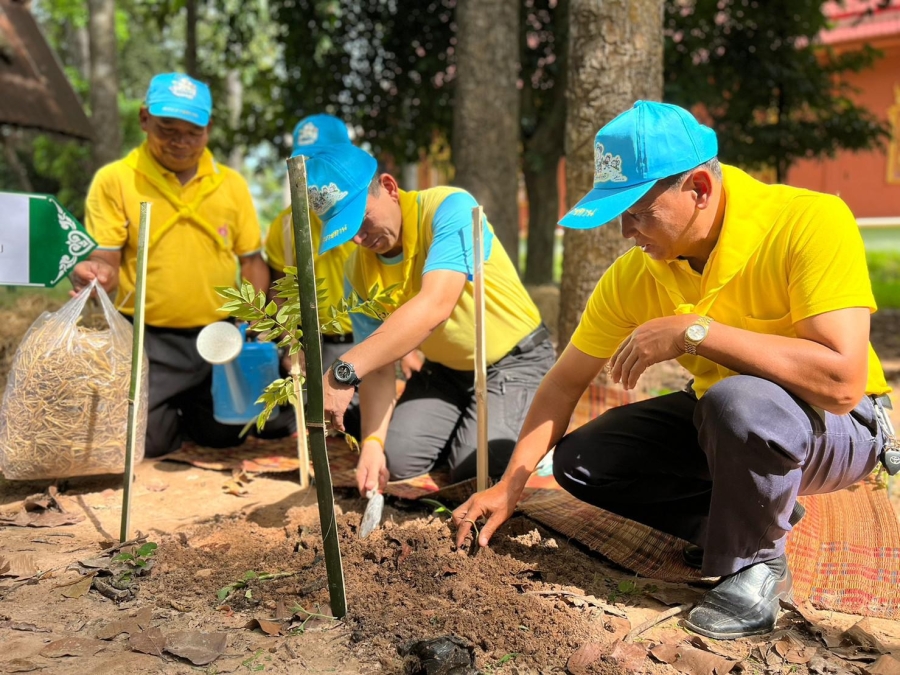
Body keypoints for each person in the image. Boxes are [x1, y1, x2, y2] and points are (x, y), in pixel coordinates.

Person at [452, 101, 891, 640]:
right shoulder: (637, 273)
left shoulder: (809, 221)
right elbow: (564, 383)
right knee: (583, 462)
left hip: (838, 426)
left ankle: (758, 566)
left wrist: (694, 331)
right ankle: (750, 517)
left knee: (739, 403)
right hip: (728, 422)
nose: (625, 232)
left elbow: (843, 384)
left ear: (700, 188)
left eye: (638, 212)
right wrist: (511, 486)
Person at [305, 145, 555, 494]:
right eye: (347, 233)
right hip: (445, 371)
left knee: (474, 470)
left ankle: (535, 428)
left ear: (390, 188)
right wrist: (372, 444)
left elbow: (435, 305)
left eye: (361, 220)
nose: (361, 239)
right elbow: (377, 366)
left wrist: (342, 370)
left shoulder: (451, 208)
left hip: (514, 360)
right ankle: (479, 425)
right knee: (398, 460)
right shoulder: (357, 269)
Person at [71, 72, 288, 457]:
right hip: (148, 339)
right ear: (144, 119)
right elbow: (105, 256)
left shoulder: (231, 185)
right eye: (167, 129)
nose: (180, 143)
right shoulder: (115, 180)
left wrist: (254, 324)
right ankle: (167, 413)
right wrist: (98, 274)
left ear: (209, 129)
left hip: (221, 336)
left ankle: (195, 412)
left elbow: (252, 261)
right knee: (149, 445)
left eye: (193, 132)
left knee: (227, 435)